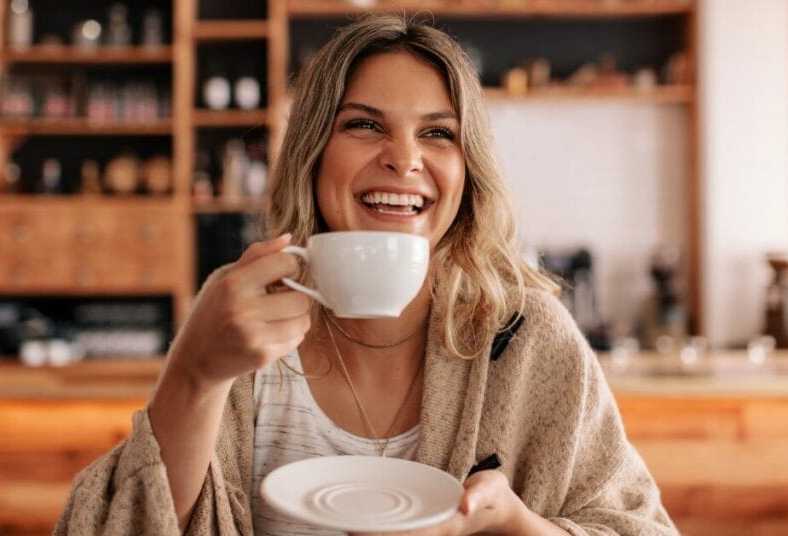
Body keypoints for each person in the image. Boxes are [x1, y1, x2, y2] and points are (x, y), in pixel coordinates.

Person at [55, 14, 677, 536]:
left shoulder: (523, 334)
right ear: (313, 151)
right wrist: (193, 375)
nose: (404, 158)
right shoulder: (244, 319)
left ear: (468, 171)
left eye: (437, 133)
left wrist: (521, 527)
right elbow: (112, 523)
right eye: (364, 124)